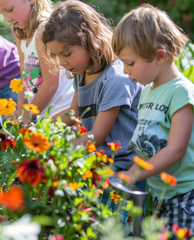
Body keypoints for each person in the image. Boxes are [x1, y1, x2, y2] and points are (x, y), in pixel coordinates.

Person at [113, 4, 194, 231]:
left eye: (130, 63)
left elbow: (175, 149)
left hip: (185, 197)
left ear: (159, 56)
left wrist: (132, 173)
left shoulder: (181, 92)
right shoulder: (147, 91)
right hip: (159, 193)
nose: (126, 71)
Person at [41, 0, 143, 172]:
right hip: (97, 161)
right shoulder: (82, 71)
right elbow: (73, 113)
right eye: (57, 55)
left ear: (90, 40)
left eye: (66, 54)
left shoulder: (115, 78)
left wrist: (57, 151)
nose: (62, 62)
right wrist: (41, 129)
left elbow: (98, 135)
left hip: (123, 168)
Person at [0, 0, 74, 124]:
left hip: (59, 110)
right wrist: (20, 108)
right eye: (1, 13)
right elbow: (25, 77)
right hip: (39, 112)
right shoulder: (20, 32)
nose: (6, 18)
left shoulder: (45, 29)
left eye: (9, 10)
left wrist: (26, 117)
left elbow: (51, 84)